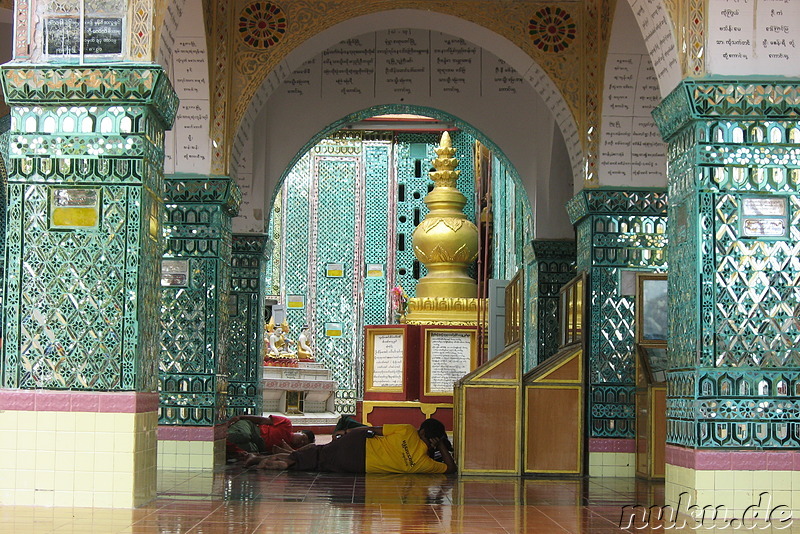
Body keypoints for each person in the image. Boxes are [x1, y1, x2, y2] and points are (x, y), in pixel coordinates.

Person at [253, 418, 456, 474]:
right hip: (358, 465)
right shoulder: (423, 465)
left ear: (421, 430)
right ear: (435, 441)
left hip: (357, 443)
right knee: (319, 459)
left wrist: (345, 432)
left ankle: (270, 460)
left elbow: (373, 429)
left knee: (318, 452)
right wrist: (442, 448)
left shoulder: (408, 430)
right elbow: (450, 469)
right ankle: (281, 458)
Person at [226, 414, 315, 461]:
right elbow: (262, 420)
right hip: (251, 428)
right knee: (244, 436)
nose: (301, 442)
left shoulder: (289, 449)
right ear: (299, 432)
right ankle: (220, 437)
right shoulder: (286, 424)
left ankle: (222, 449)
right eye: (303, 438)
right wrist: (240, 417)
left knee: (248, 451)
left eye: (303, 443)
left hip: (256, 444)